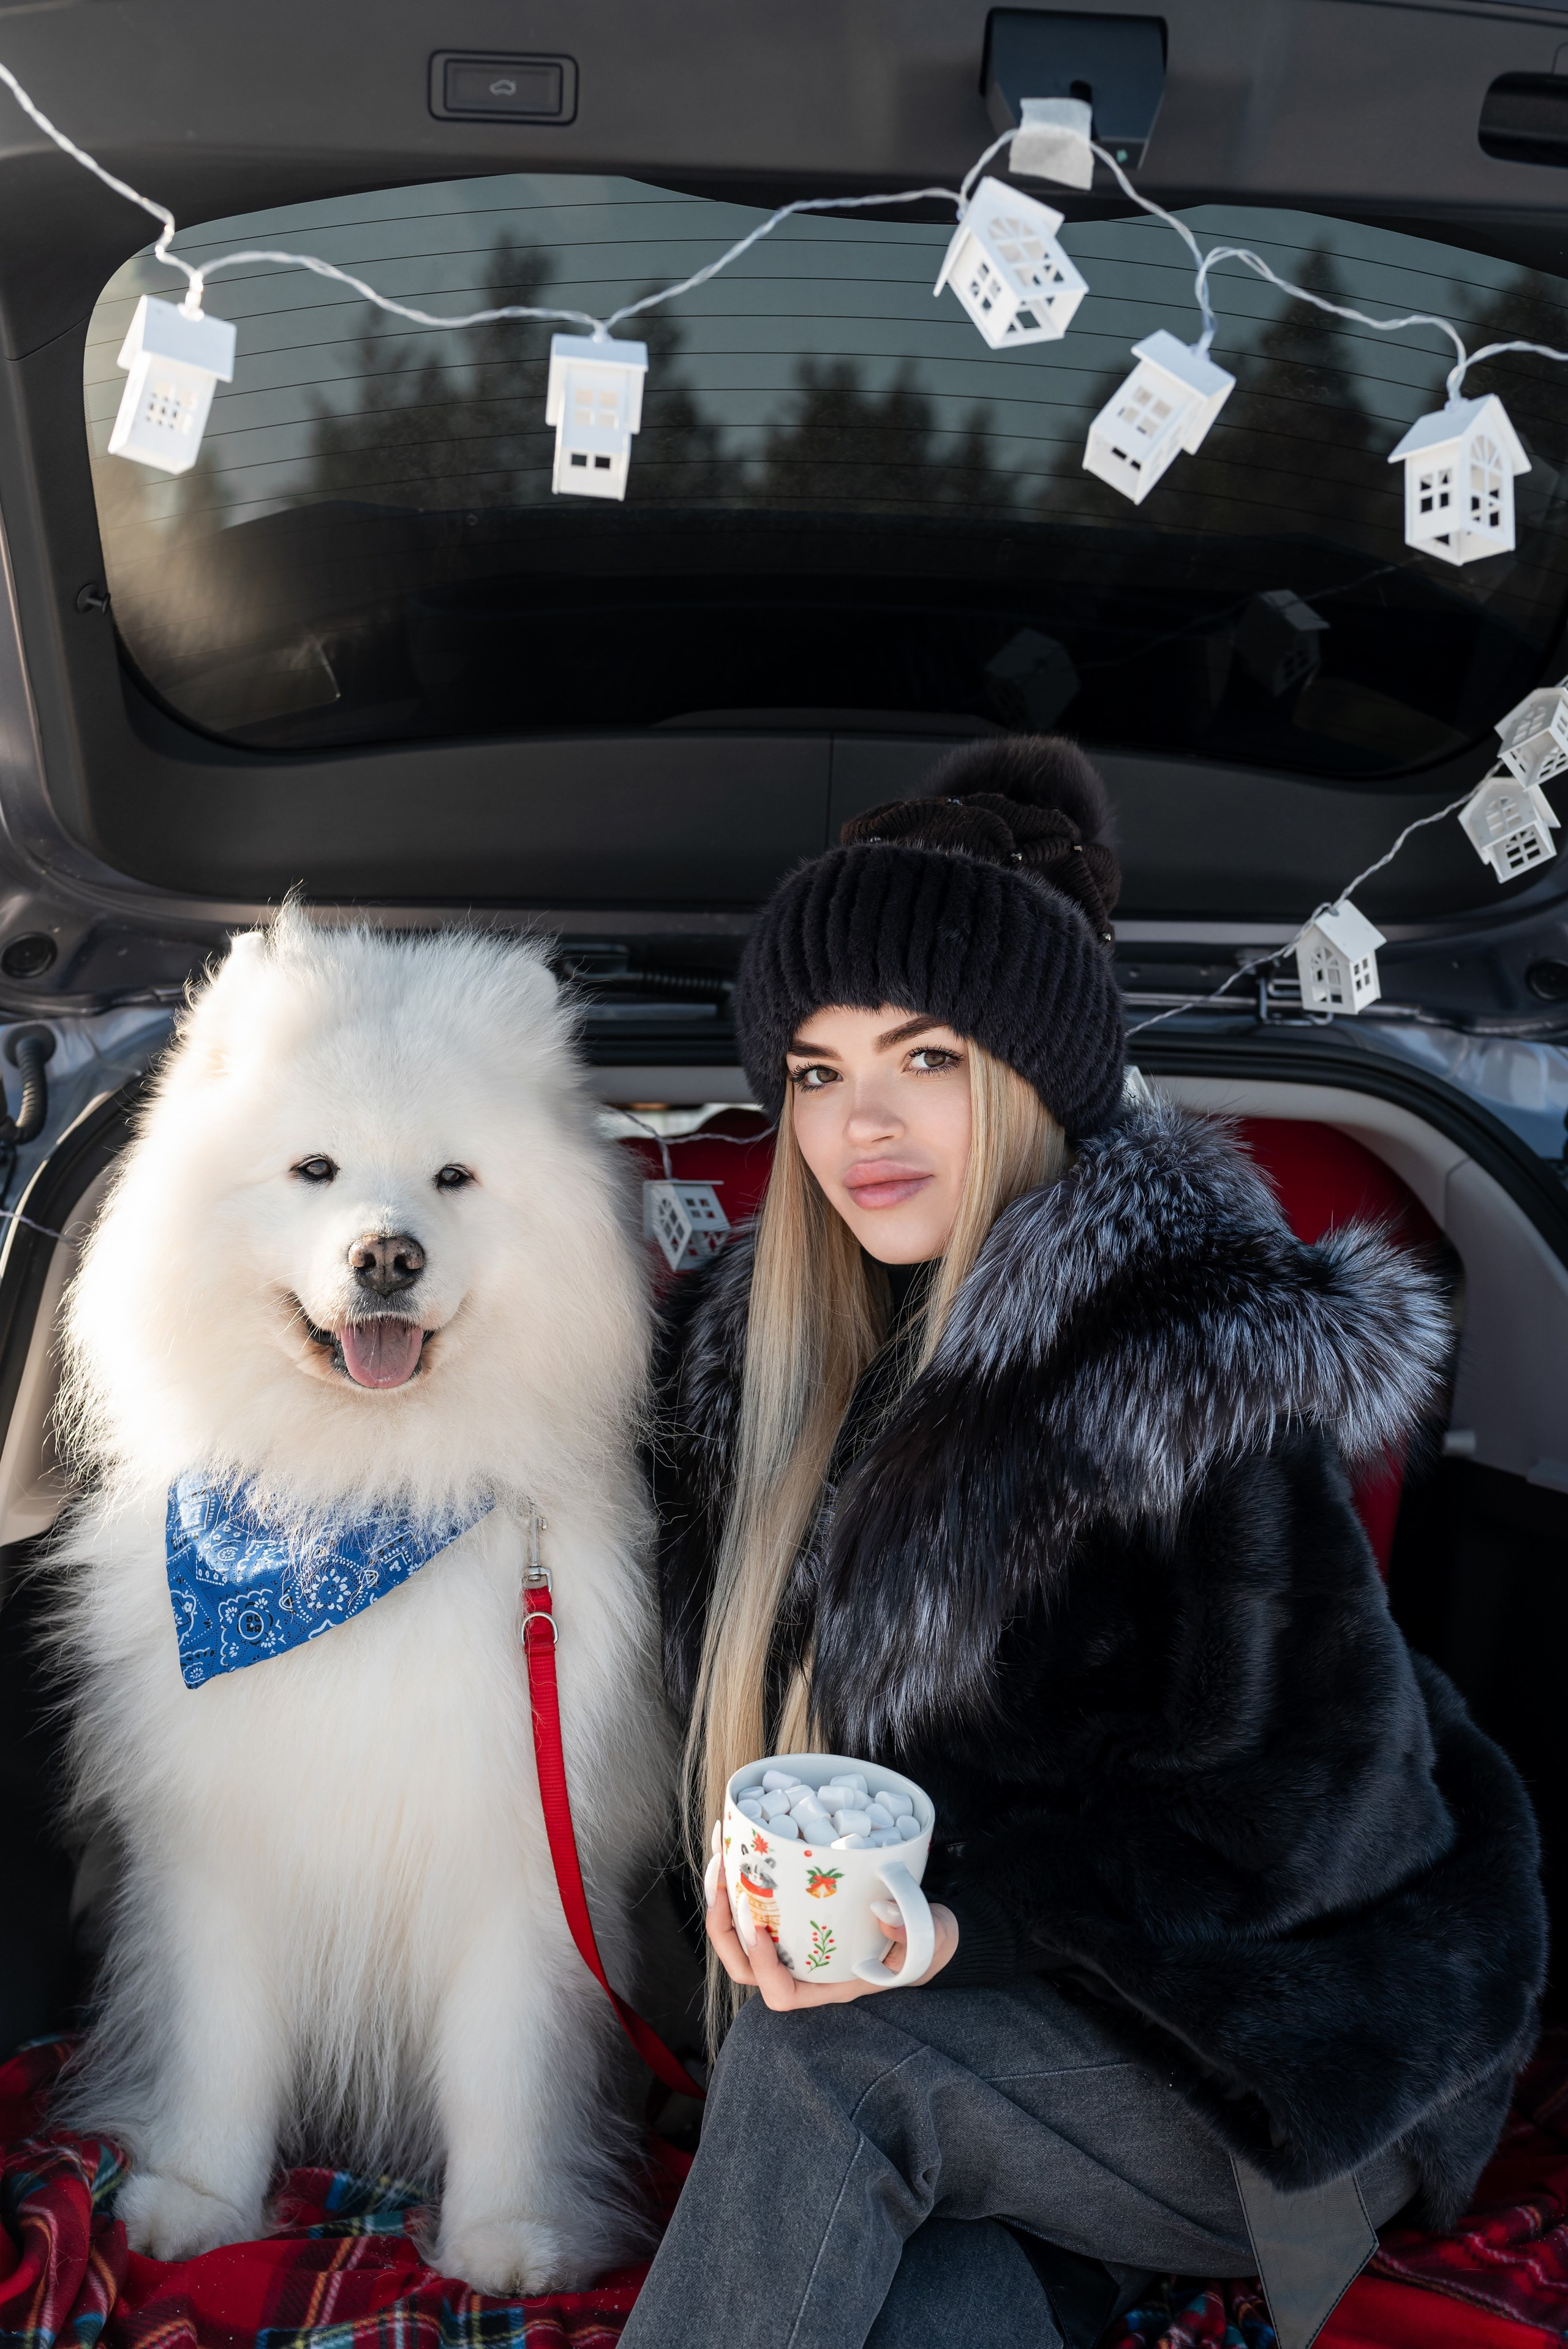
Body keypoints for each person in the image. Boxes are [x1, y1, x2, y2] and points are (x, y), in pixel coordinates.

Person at [622, 736, 1546, 2349]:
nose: (864, 1123)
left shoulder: (1186, 1358)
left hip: (1281, 2058)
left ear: (1032, 1069)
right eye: (822, 1070)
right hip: (1008, 2060)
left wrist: (951, 1925)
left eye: (926, 1056)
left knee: (830, 2062)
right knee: (906, 2294)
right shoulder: (761, 1376)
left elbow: (1302, 1819)